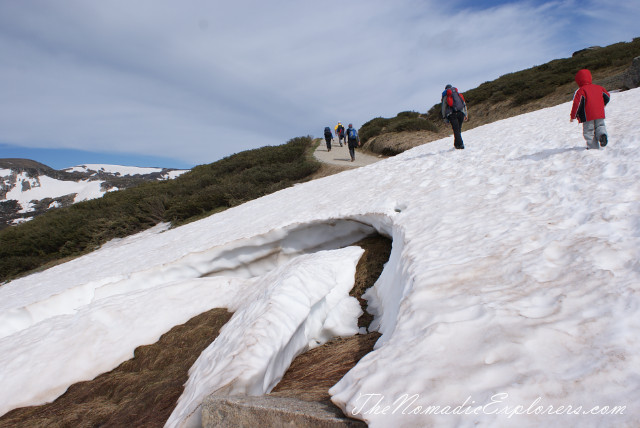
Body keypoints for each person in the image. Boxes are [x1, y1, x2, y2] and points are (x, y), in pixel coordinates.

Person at [570, 69, 610, 150]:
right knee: (600, 126)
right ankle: (602, 135)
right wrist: (603, 104)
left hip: (587, 115)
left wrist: (573, 116)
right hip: (599, 113)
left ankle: (593, 148)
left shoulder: (581, 91)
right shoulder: (599, 88)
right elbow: (607, 96)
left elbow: (577, 105)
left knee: (589, 131)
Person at [441, 84, 468, 150]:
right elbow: (464, 104)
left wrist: (445, 118)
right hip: (460, 113)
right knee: (458, 130)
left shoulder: (445, 96)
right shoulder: (458, 94)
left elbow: (443, 108)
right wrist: (466, 114)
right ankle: (456, 144)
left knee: (456, 130)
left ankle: (461, 145)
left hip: (452, 114)